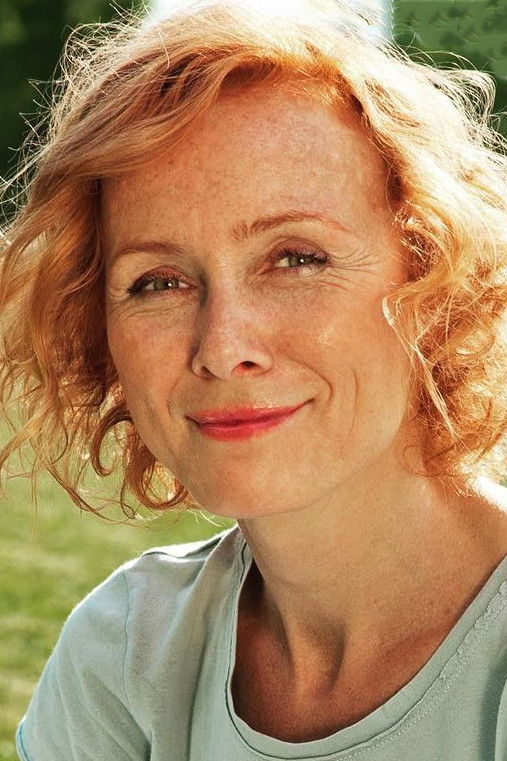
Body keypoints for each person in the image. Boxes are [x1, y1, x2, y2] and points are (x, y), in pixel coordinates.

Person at [2, 0, 507, 758]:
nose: (222, 346)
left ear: (436, 278)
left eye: (295, 258)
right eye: (158, 281)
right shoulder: (126, 653)